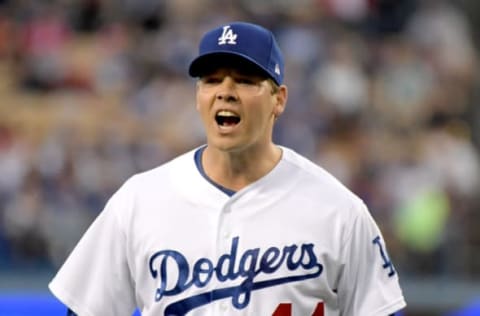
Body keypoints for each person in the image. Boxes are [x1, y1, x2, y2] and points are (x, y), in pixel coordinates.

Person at [49, 21, 407, 316]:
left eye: (246, 80)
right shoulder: (139, 201)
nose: (226, 91)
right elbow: (85, 309)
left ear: (278, 99)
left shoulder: (339, 211)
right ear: (198, 96)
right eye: (212, 80)